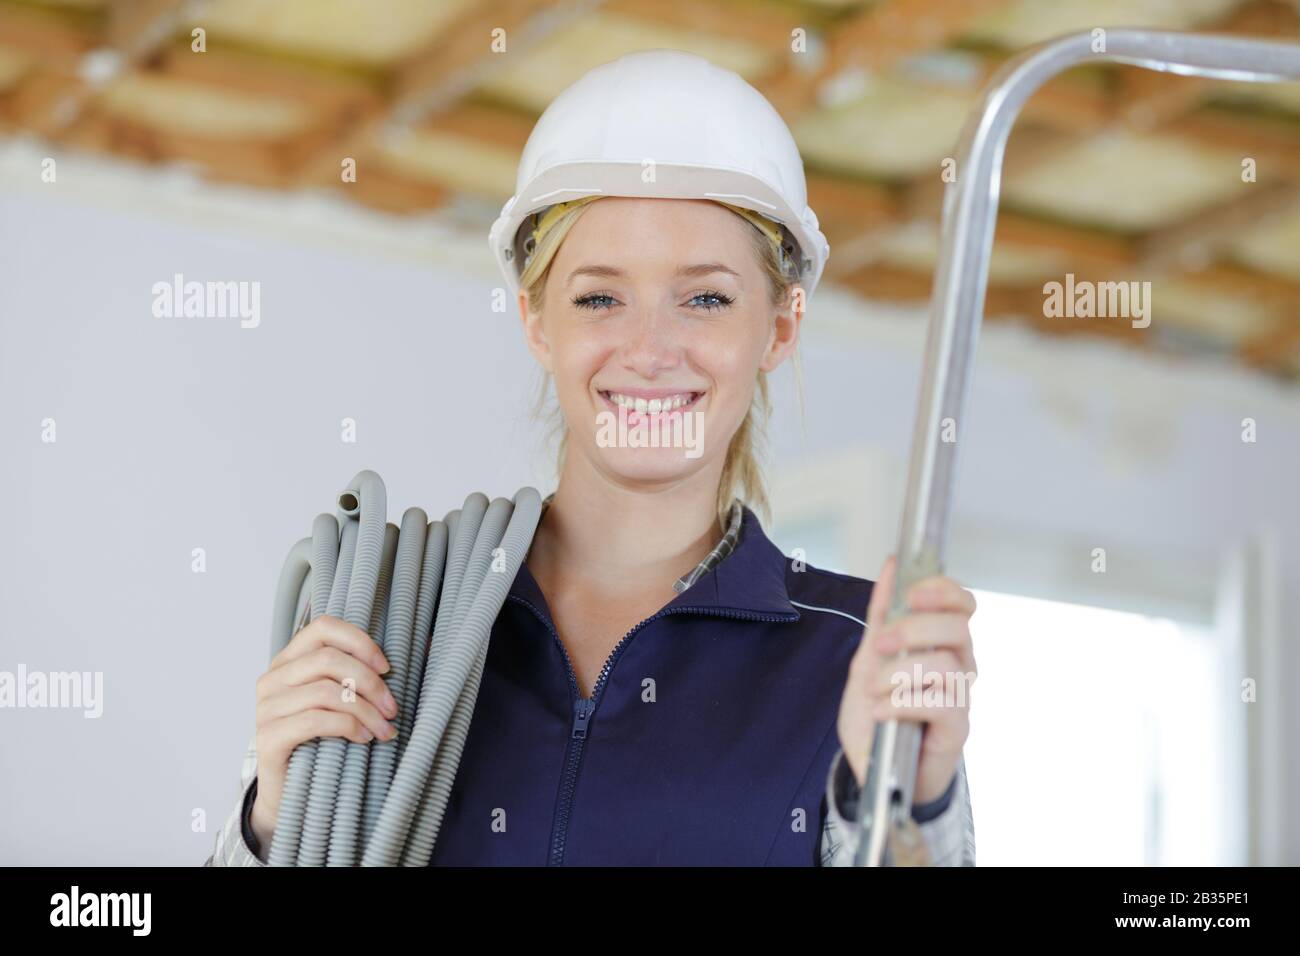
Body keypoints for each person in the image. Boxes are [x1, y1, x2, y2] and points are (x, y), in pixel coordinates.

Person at [206, 48, 976, 867]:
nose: (650, 350)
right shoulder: (397, 622)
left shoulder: (849, 655)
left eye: (706, 298)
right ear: (539, 323)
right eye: (600, 297)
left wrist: (909, 810)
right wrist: (272, 824)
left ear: (779, 328)